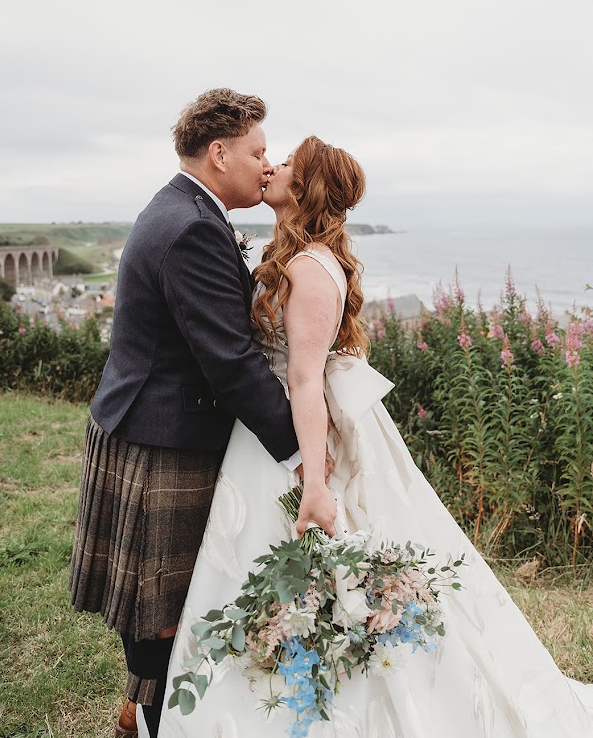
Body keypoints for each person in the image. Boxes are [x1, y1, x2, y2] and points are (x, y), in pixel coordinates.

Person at [158, 136, 593, 737]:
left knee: (315, 572)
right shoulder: (295, 257)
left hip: (294, 437)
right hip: (262, 433)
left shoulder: (311, 268)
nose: (272, 166)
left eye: (285, 163)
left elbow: (306, 380)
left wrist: (314, 480)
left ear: (304, 187)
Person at [68, 90, 334, 738]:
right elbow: (232, 363)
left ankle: (142, 712)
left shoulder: (183, 208)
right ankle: (157, 719)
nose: (265, 163)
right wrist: (304, 458)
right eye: (257, 151)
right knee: (161, 611)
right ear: (220, 153)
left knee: (166, 606)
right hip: (162, 439)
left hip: (148, 422)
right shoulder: (191, 226)